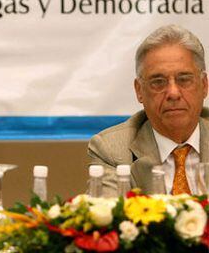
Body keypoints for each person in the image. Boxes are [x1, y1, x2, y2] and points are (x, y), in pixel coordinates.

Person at [88, 24, 209, 197]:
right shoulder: (112, 151)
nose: (173, 93)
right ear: (139, 91)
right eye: (158, 82)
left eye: (184, 79)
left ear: (204, 85)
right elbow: (111, 219)